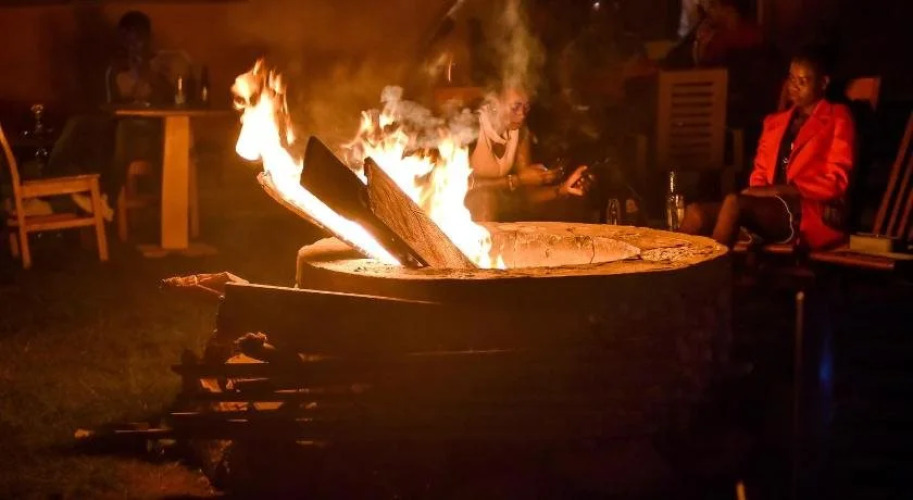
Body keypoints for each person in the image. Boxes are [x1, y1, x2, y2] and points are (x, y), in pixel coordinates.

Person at [679, 47, 856, 250]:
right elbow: (759, 174)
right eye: (791, 79)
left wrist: (780, 190)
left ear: (823, 83)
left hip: (804, 212)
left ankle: (714, 267)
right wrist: (761, 193)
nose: (794, 87)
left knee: (734, 203)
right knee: (696, 213)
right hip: (766, 209)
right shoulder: (775, 123)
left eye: (802, 81)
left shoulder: (837, 117)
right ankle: (672, 268)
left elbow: (836, 181)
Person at [466, 85, 592, 222]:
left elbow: (529, 196)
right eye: (515, 107)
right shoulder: (471, 127)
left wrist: (562, 189)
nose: (522, 114)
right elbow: (457, 184)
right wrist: (517, 180)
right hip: (462, 207)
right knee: (485, 198)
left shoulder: (519, 133)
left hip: (499, 208)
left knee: (567, 207)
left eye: (526, 107)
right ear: (494, 103)